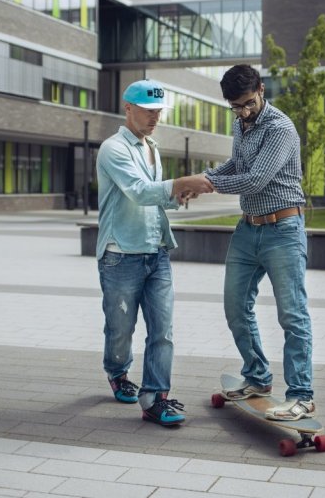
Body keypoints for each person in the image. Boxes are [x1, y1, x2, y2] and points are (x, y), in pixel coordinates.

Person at [96, 78, 213, 426]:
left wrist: (178, 195)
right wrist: (180, 183)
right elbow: (138, 191)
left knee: (163, 330)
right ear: (128, 108)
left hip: (156, 251)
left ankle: (155, 398)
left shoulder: (152, 148)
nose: (155, 117)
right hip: (121, 253)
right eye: (148, 111)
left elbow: (154, 198)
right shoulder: (113, 149)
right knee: (121, 329)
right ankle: (117, 372)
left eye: (159, 111)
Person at [203, 64, 316, 421]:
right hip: (247, 229)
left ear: (261, 90)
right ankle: (257, 377)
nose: (243, 112)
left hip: (283, 229)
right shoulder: (240, 124)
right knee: (235, 306)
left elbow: (254, 179)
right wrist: (202, 178)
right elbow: (236, 164)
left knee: (292, 315)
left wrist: (205, 184)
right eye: (236, 106)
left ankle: (301, 395)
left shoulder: (280, 127)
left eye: (249, 103)